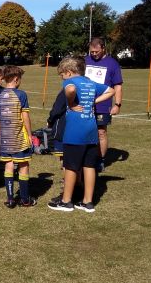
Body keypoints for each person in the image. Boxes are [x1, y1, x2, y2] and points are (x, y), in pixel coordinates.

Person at [48, 56, 114, 213]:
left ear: (69, 72)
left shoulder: (70, 82)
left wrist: (71, 102)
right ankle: (87, 202)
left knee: (70, 166)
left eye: (62, 75)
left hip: (74, 131)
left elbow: (70, 90)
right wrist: (93, 101)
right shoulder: (90, 83)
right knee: (89, 166)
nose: (62, 78)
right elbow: (110, 91)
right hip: (91, 130)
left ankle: (66, 201)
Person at [0, 65, 36, 207]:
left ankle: (10, 199)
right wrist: (30, 134)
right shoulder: (21, 95)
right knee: (24, 164)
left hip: (5, 137)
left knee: (8, 166)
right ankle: (24, 199)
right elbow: (25, 117)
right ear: (16, 79)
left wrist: (0, 134)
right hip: (19, 136)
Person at [84, 37, 123, 171]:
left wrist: (117, 104)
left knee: (101, 132)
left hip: (103, 105)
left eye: (96, 51)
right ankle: (85, 158)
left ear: (103, 49)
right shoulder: (85, 61)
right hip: (84, 103)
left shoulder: (112, 63)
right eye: (91, 52)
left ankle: (100, 160)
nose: (94, 54)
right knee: (84, 131)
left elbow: (117, 85)